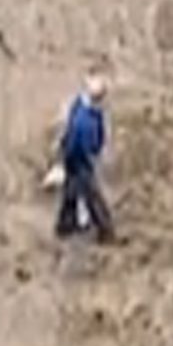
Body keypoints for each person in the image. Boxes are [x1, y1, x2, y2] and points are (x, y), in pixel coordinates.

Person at [53, 76, 114, 242]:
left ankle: (65, 225)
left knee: (71, 192)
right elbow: (78, 140)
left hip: (76, 157)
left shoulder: (81, 106)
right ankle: (105, 230)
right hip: (79, 159)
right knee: (91, 195)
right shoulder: (85, 118)